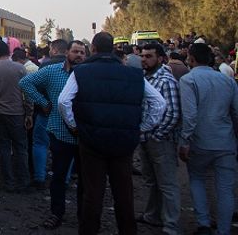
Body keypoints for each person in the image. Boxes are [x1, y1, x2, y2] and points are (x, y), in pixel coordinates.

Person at [58, 32, 166, 235]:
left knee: (92, 193)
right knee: (124, 193)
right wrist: (142, 127)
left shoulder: (81, 72)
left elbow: (63, 101)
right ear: (114, 49)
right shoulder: (134, 74)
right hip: (123, 142)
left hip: (91, 141)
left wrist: (75, 126)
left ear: (94, 49)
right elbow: (159, 103)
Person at [20, 40, 86, 229]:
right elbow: (25, 82)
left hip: (84, 136)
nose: (79, 55)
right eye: (76, 52)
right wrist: (43, 102)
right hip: (60, 133)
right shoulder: (52, 71)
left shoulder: (88, 74)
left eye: (82, 52)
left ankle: (84, 215)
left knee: (85, 179)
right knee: (58, 177)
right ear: (67, 53)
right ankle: (56, 213)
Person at [179, 43, 238, 235]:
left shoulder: (188, 80)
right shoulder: (227, 81)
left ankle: (203, 223)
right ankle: (224, 229)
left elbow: (189, 115)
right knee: (226, 189)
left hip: (199, 141)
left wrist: (185, 141)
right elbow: (236, 112)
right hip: (225, 141)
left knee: (197, 179)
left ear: (191, 59)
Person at [137, 43, 181, 234]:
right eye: (143, 56)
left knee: (167, 184)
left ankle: (171, 225)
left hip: (160, 140)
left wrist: (157, 135)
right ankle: (152, 215)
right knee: (151, 180)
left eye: (149, 56)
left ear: (161, 58)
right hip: (146, 138)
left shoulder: (165, 81)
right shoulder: (146, 78)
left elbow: (172, 113)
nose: (144, 60)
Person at [0, 40, 32, 192]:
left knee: (4, 148)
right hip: (16, 113)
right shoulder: (20, 68)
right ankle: (24, 181)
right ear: (9, 52)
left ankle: (9, 182)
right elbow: (28, 93)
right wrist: (29, 113)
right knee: (20, 148)